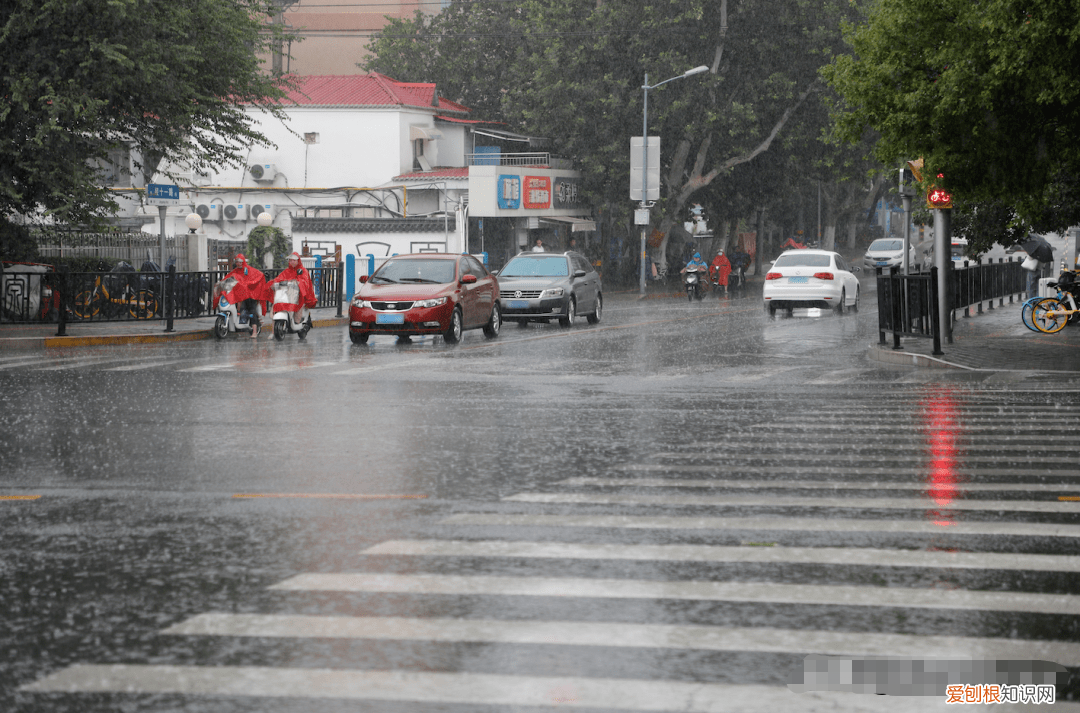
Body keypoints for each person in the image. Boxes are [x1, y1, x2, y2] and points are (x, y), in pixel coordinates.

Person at [214, 253, 267, 338]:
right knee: (238, 305)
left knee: (252, 310)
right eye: (237, 262)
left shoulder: (248, 270)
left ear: (243, 262)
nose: (238, 263)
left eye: (240, 262)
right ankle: (238, 320)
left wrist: (249, 284)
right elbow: (228, 277)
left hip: (250, 294)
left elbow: (259, 275)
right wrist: (220, 283)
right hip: (241, 294)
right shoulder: (235, 271)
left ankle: (254, 332)